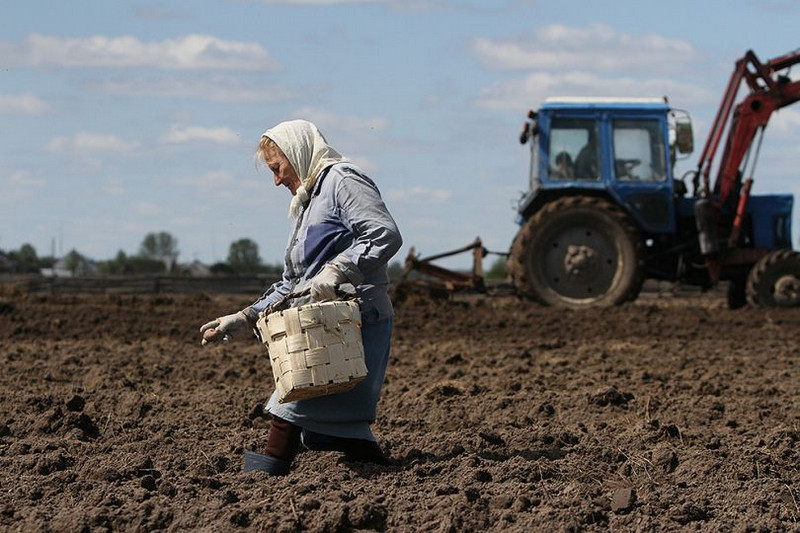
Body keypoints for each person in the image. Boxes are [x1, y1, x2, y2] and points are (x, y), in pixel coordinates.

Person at [199, 119, 402, 476]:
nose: (276, 180)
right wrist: (246, 317)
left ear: (297, 153)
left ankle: (266, 473)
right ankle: (365, 458)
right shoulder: (308, 201)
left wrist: (339, 271)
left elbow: (383, 234)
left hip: (352, 322)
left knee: (292, 401)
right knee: (332, 413)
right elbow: (292, 282)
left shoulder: (343, 181)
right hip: (318, 326)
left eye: (277, 168)